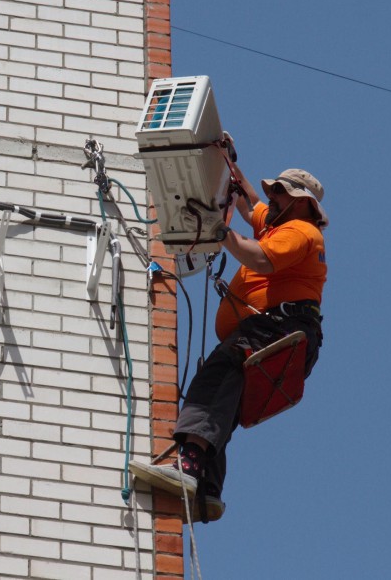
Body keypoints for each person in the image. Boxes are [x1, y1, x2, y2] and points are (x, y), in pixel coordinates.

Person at [130, 163, 328, 522]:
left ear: (302, 203)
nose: (272, 197)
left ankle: (188, 467)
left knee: (212, 382)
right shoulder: (278, 224)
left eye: (280, 193)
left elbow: (261, 259)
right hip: (278, 332)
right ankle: (207, 491)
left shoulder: (299, 230)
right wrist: (226, 162)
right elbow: (250, 205)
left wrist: (219, 231)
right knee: (223, 406)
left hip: (275, 328)